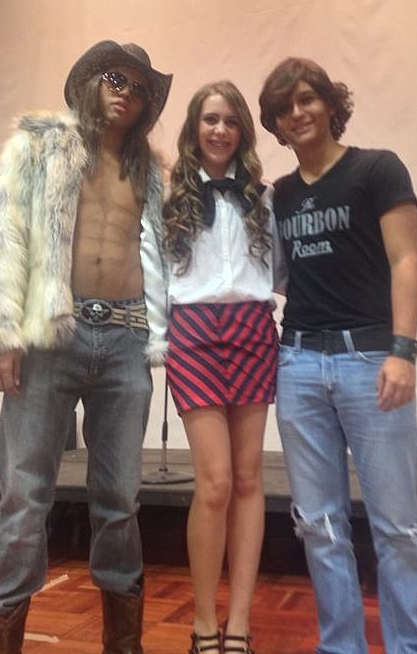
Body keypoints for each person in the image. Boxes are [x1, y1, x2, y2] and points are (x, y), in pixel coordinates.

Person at [0, 40, 172, 654]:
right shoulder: (38, 146)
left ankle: (123, 644)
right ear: (89, 81)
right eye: (115, 78)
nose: (127, 93)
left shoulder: (150, 170)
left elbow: (170, 254)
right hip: (51, 336)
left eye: (139, 87)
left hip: (127, 338)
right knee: (24, 496)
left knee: (120, 499)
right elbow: (2, 235)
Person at [259, 58, 417, 654]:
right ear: (275, 124)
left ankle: (413, 646)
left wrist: (403, 351)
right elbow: (276, 275)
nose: (298, 113)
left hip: (370, 360)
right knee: (318, 525)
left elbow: (407, 261)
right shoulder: (280, 196)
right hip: (298, 365)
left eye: (308, 99)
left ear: (331, 104)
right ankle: (341, 645)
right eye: (285, 107)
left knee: (398, 525)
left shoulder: (377, 169)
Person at [163, 81, 282, 654]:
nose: (220, 130)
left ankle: (240, 624)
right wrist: (157, 341)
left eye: (231, 121)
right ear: (195, 127)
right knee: (214, 484)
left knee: (249, 479)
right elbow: (154, 272)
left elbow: (281, 272)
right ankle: (203, 623)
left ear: (243, 131)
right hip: (192, 333)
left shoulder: (264, 198)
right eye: (211, 119)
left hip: (253, 329)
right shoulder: (169, 198)